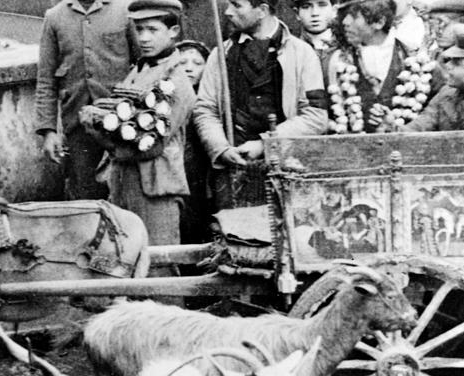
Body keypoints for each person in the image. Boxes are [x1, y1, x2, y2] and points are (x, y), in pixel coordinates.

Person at [193, 0, 327, 208]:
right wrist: (220, 148)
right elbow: (205, 110)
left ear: (262, 10)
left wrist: (266, 144)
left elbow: (316, 117)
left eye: (237, 5)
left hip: (287, 173)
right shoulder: (220, 54)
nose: (228, 12)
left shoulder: (302, 54)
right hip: (233, 175)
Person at [96, 0, 195, 247]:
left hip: (156, 188)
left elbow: (151, 145)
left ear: (173, 31)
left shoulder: (175, 80)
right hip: (123, 182)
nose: (143, 38)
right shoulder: (139, 69)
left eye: (152, 30)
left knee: (159, 263)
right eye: (139, 30)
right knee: (121, 259)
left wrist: (97, 124)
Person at [35, 0, 135, 200]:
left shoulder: (124, 10)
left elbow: (143, 63)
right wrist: (48, 131)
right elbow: (46, 79)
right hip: (77, 125)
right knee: (85, 191)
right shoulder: (54, 16)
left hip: (122, 123)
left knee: (125, 190)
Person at [328, 0, 422, 132]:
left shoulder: (415, 60)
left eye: (354, 16)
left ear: (379, 22)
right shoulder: (338, 61)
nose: (345, 22)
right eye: (345, 16)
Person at [176, 38, 212, 242]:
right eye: (183, 63)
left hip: (200, 168)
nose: (189, 69)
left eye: (197, 63)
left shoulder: (209, 100)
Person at [294, 0, 339, 83]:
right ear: (297, 14)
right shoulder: (291, 50)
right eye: (306, 7)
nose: (314, 13)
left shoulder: (346, 47)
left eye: (322, 5)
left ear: (334, 10)